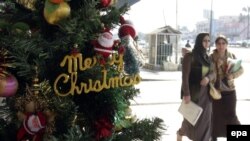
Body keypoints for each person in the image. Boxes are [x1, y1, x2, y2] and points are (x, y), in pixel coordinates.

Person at [177, 33, 216, 141]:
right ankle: (180, 133)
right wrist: (186, 94)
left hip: (206, 94)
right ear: (199, 41)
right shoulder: (190, 56)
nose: (207, 43)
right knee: (190, 119)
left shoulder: (207, 57)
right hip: (194, 93)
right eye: (204, 41)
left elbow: (214, 73)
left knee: (205, 121)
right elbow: (185, 77)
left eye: (208, 41)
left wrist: (208, 78)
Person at [210, 35, 243, 141]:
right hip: (216, 92)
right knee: (215, 117)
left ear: (227, 45)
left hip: (230, 91)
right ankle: (213, 138)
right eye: (218, 43)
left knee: (232, 116)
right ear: (215, 45)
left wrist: (232, 76)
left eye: (223, 43)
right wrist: (217, 66)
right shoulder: (211, 57)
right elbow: (208, 74)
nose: (221, 46)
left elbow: (241, 70)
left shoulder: (231, 55)